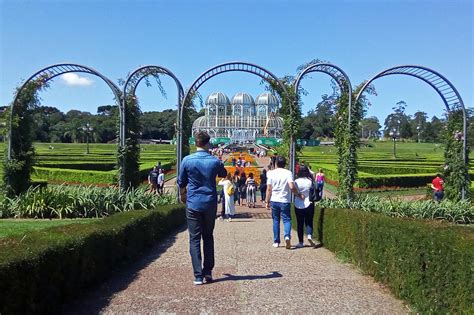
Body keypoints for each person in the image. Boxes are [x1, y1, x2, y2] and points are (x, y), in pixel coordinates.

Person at [177, 131, 227, 285]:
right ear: (208, 143)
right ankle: (208, 272)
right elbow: (223, 173)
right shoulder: (214, 161)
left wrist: (183, 195)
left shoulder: (187, 160)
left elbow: (181, 182)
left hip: (193, 203)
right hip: (210, 202)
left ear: (195, 143)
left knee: (194, 238)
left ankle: (198, 275)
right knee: (208, 236)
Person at [265, 156, 304, 249]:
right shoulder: (288, 173)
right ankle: (287, 236)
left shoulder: (271, 173)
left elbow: (269, 189)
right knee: (286, 219)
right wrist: (298, 194)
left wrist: (267, 201)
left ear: (276, 164)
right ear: (285, 164)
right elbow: (291, 186)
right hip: (285, 200)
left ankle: (276, 241)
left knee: (276, 220)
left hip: (274, 199)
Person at [294, 166, 316, 248]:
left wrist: (299, 195)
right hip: (309, 203)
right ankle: (309, 235)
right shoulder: (310, 181)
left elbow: (294, 191)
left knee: (300, 223)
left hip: (298, 204)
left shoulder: (296, 181)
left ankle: (301, 242)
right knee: (309, 222)